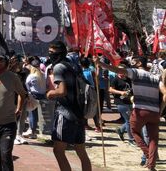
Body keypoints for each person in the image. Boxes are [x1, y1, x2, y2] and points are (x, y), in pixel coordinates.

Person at [94, 54, 160, 171]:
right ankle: (151, 164)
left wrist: (101, 64)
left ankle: (149, 157)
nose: (133, 62)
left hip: (140, 109)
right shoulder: (155, 76)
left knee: (134, 131)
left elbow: (117, 70)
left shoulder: (135, 72)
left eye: (135, 61)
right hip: (155, 111)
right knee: (154, 139)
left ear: (140, 63)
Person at [46, 41, 91, 171]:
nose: (50, 55)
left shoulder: (59, 67)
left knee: (58, 150)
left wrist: (50, 93)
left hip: (65, 113)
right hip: (79, 113)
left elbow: (61, 91)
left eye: (52, 53)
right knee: (81, 150)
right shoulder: (74, 65)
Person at [109, 62, 133, 144]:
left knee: (130, 120)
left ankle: (121, 130)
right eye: (119, 70)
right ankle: (131, 139)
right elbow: (110, 89)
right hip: (120, 102)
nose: (120, 72)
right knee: (129, 120)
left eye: (122, 70)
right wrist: (120, 92)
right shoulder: (115, 79)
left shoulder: (129, 79)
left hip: (130, 101)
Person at [23, 57, 45, 139]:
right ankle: (35, 130)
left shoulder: (31, 76)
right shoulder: (43, 75)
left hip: (33, 95)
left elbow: (27, 86)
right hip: (42, 96)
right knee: (39, 114)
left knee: (32, 114)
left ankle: (32, 131)